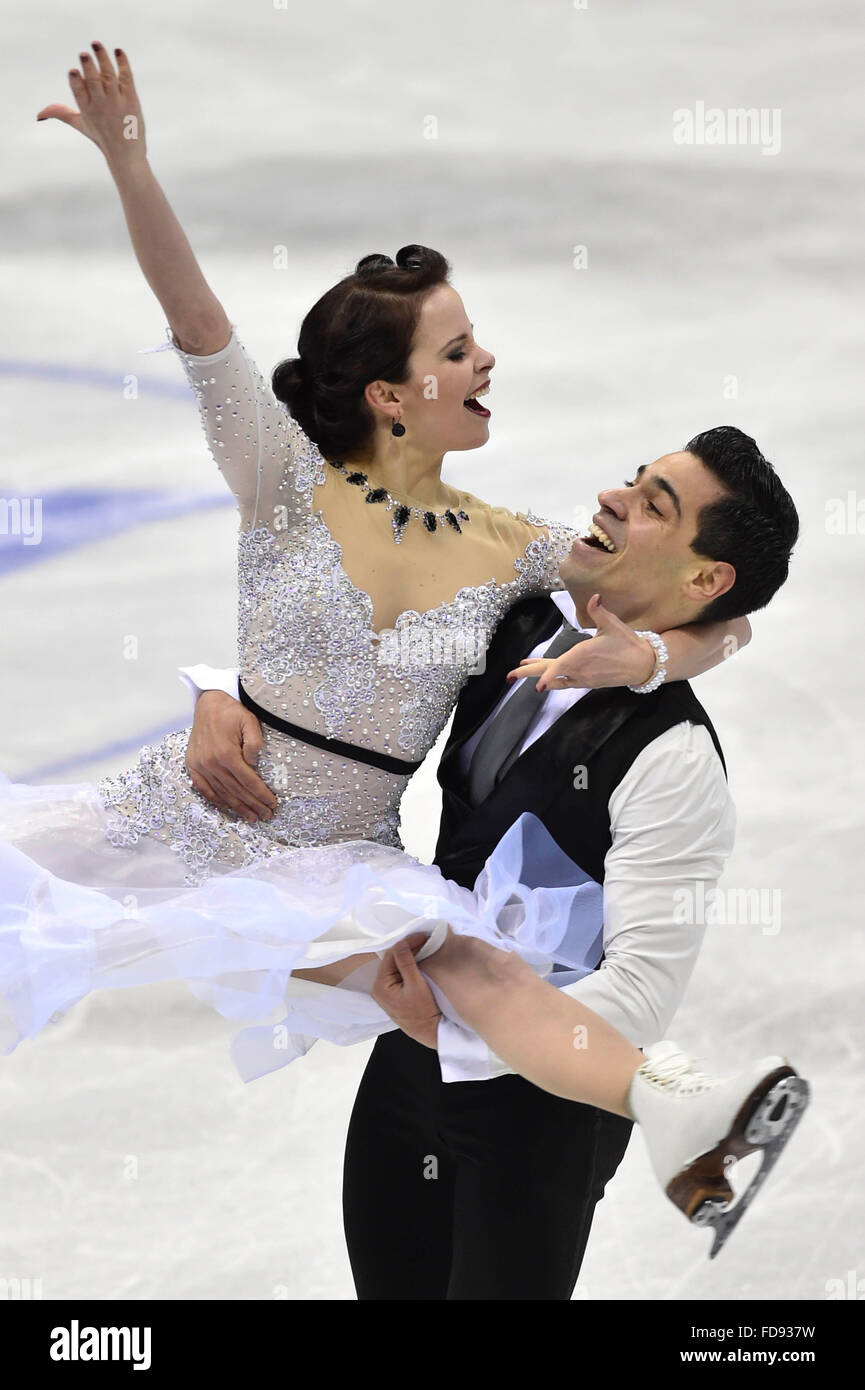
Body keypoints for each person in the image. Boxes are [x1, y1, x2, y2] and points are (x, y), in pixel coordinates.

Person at [0, 40, 803, 1275]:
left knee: (470, 964)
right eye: (460, 349)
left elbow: (728, 608)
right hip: (195, 818)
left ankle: (680, 1110)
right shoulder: (281, 486)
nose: (487, 363)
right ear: (391, 395)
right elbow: (200, 324)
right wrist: (129, 162)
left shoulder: (510, 548)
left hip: (336, 864)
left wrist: (645, 661)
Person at [185, 429, 807, 1295]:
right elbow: (332, 674)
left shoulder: (674, 762)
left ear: (705, 579)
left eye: (653, 504)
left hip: (541, 1117)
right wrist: (218, 691)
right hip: (408, 1074)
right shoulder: (513, 617)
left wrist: (458, 1025)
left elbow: (637, 1000)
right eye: (632, 477)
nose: (613, 498)